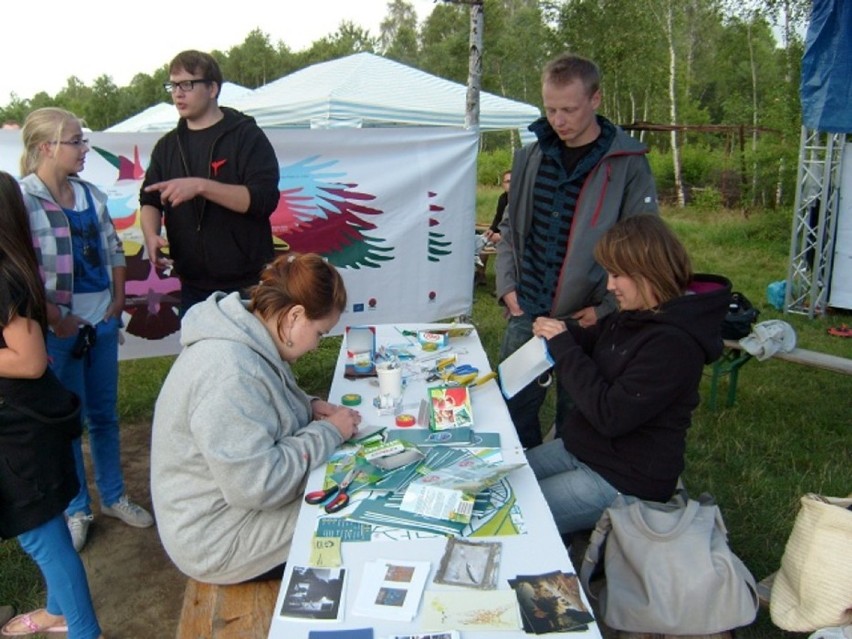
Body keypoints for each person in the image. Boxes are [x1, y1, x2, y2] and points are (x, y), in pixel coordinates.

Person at [150, 253, 362, 584]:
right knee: (351, 513)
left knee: (350, 488)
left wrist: (308, 406)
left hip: (232, 510)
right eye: (320, 333)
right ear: (294, 316)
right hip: (216, 540)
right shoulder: (229, 373)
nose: (317, 346)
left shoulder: (248, 337)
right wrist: (328, 433)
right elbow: (259, 485)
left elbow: (260, 405)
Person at [526, 215, 731, 535]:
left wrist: (563, 346)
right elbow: (598, 344)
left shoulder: (673, 345)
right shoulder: (638, 315)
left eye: (617, 274)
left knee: (517, 512)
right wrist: (563, 333)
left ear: (648, 271)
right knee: (504, 480)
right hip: (583, 449)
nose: (609, 285)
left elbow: (610, 414)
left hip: (624, 477)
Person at [495, 53, 659, 449]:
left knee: (580, 419)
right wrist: (507, 285)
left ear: (596, 99)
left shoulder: (627, 164)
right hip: (527, 309)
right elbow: (509, 229)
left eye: (569, 109)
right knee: (511, 411)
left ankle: (566, 499)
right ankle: (522, 490)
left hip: (588, 320)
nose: (558, 120)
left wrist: (606, 309)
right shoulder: (530, 157)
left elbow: (643, 247)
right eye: (550, 109)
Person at [19, 107, 153, 553]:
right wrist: (55, 319)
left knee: (104, 414)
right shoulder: (23, 200)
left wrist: (117, 302)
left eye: (82, 140)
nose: (83, 149)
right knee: (68, 420)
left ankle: (114, 496)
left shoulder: (91, 194)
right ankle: (78, 508)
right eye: (75, 141)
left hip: (101, 320)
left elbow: (115, 250)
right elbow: (22, 270)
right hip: (58, 329)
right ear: (46, 148)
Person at [0, 171, 105, 638]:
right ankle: (59, 612)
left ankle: (84, 631)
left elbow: (27, 359)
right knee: (47, 528)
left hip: (20, 429)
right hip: (26, 423)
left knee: (41, 537)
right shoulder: (11, 265)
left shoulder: (2, 274)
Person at [139, 49, 281, 317]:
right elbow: (149, 200)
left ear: (213, 88)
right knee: (202, 359)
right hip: (193, 285)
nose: (178, 93)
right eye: (173, 85)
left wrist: (201, 186)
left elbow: (263, 199)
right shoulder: (168, 146)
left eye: (187, 84)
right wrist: (151, 234)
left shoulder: (245, 136)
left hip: (247, 284)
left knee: (251, 358)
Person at [484, 170, 511, 244]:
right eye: (508, 181)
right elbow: (498, 217)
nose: (510, 184)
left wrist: (500, 235)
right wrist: (492, 229)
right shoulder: (503, 198)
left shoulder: (521, 200)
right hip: (504, 232)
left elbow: (518, 224)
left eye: (512, 181)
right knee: (484, 240)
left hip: (515, 238)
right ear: (503, 184)